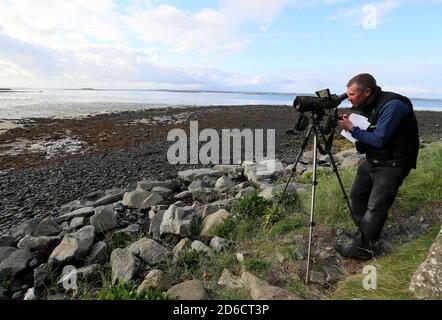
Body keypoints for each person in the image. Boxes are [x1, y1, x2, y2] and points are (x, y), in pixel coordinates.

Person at [335, 73, 420, 260]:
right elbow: (369, 130)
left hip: (394, 163)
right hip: (373, 159)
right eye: (347, 94)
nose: (348, 98)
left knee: (376, 207)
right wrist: (352, 126)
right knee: (358, 196)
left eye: (352, 95)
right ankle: (364, 234)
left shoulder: (394, 106)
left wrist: (352, 129)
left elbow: (379, 138)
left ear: (367, 91)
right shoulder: (366, 104)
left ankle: (363, 250)